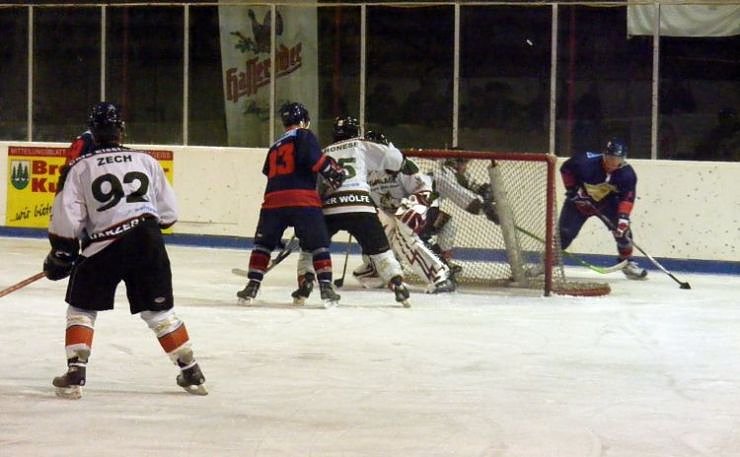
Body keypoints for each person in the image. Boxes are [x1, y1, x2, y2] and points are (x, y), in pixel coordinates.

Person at [44, 102, 207, 399]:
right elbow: (168, 215)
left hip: (104, 246)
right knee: (160, 312)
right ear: (121, 130)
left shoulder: (80, 167)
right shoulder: (146, 161)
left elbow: (67, 220)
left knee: (82, 307)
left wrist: (62, 253)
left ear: (93, 132)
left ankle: (76, 371)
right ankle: (191, 370)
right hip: (148, 241)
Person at [291, 117, 411, 307]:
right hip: (360, 205)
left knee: (310, 249)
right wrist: (384, 145)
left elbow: (315, 187)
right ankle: (397, 284)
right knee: (380, 251)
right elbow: (397, 161)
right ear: (356, 132)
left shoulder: (324, 152)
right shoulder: (362, 144)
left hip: (329, 208)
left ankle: (305, 282)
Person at [236, 102, 346, 308]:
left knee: (263, 245)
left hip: (273, 201)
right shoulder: (304, 135)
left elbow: (269, 172)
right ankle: (326, 288)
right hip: (302, 198)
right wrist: (335, 173)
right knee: (318, 244)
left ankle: (252, 286)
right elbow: (317, 161)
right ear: (304, 120)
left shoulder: (275, 145)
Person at [361, 132, 456, 294]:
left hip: (421, 203)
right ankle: (378, 270)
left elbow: (424, 188)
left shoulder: (397, 162)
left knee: (403, 233)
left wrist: (414, 206)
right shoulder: (366, 171)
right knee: (377, 233)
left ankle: (440, 275)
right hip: (393, 212)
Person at [558, 137, 647, 279]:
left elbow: (627, 198)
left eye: (617, 159)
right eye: (610, 158)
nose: (613, 163)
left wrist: (623, 218)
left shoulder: (627, 174)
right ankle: (547, 263)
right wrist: (572, 189)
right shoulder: (585, 162)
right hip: (579, 203)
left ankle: (627, 263)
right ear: (604, 155)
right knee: (564, 234)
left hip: (607, 203)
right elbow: (565, 169)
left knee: (623, 233)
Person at [420, 155, 499, 280]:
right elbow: (465, 200)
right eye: (464, 163)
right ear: (455, 163)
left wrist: (483, 191)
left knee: (444, 222)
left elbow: (469, 184)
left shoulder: (445, 171)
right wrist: (487, 210)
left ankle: (437, 257)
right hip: (417, 214)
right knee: (447, 225)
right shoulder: (444, 175)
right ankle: (441, 263)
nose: (466, 167)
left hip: (417, 211)